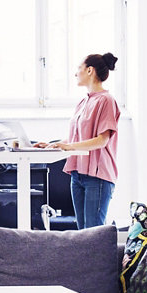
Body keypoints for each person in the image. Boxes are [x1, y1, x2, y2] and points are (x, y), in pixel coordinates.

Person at [33, 52, 121, 229]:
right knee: (82, 236)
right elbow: (78, 137)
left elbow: (102, 140)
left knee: (93, 234)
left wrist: (68, 146)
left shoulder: (107, 101)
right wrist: (53, 145)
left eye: (78, 68)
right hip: (78, 175)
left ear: (90, 70)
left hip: (97, 177)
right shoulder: (83, 102)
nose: (75, 73)